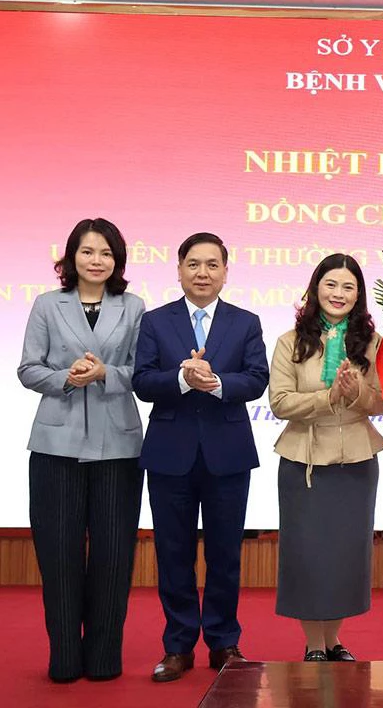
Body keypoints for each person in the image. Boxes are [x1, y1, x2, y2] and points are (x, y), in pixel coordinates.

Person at [132, 232, 269, 682]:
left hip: (227, 454)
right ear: (178, 270)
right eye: (194, 264)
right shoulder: (155, 321)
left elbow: (256, 379)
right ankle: (177, 646)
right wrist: (183, 378)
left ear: (226, 272)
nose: (203, 272)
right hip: (170, 454)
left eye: (212, 264)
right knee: (173, 554)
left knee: (226, 554)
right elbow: (142, 381)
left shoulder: (245, 322)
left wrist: (218, 384)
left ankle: (224, 642)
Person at [17, 218, 145, 683]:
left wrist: (106, 373)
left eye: (106, 253)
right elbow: (28, 369)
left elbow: (142, 372)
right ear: (72, 257)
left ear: (118, 260)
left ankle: (105, 657)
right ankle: (65, 655)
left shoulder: (133, 306)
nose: (97, 261)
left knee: (114, 555)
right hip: (57, 444)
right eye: (88, 252)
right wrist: (67, 378)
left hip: (118, 446)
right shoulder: (48, 305)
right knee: (59, 553)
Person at [268, 254, 383, 661]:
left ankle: (336, 641)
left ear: (358, 296)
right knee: (308, 555)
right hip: (303, 463)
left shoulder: (372, 344)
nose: (338, 294)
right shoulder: (290, 341)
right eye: (330, 285)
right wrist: (330, 396)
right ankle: (313, 645)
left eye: (348, 287)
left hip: (357, 462)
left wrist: (356, 393)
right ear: (315, 288)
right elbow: (281, 403)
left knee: (345, 556)